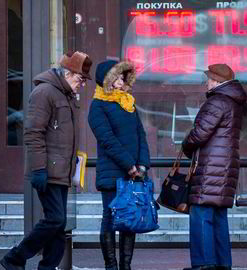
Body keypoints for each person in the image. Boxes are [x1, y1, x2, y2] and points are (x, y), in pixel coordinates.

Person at [0, 51, 93, 270]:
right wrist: (39, 169)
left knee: (59, 226)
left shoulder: (65, 95)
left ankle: (47, 267)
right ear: (68, 74)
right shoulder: (44, 92)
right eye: (80, 79)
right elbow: (33, 133)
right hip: (48, 170)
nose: (82, 85)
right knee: (55, 220)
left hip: (61, 172)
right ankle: (15, 257)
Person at [181, 63, 247, 270]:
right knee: (218, 218)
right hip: (225, 168)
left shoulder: (217, 102)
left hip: (211, 168)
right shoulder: (234, 102)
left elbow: (199, 134)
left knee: (201, 215)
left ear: (217, 81)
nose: (206, 82)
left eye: (209, 79)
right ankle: (222, 264)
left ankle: (204, 264)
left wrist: (186, 145)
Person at [88, 60, 150, 270]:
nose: (121, 79)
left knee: (130, 218)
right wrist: (129, 165)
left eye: (123, 76)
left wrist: (142, 165)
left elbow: (140, 135)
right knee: (110, 217)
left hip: (134, 173)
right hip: (113, 173)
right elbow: (108, 141)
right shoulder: (97, 106)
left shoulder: (127, 102)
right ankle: (111, 266)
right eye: (117, 76)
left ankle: (126, 266)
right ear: (106, 80)